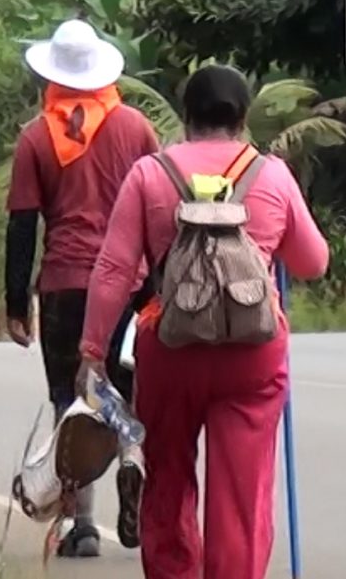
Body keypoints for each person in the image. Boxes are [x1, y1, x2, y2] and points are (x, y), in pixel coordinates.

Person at [78, 65, 329, 579]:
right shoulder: (272, 174)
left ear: (186, 115)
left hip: (171, 348)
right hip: (252, 356)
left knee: (167, 481)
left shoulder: (150, 174)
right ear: (242, 119)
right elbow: (313, 263)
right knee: (241, 497)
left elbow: (113, 270)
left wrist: (92, 353)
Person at [4, 19, 159, 557]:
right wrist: (155, 287)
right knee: (128, 394)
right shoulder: (136, 127)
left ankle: (81, 525)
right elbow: (159, 209)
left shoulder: (35, 136)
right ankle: (133, 461)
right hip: (131, 284)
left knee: (72, 402)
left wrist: (15, 303)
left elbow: (23, 225)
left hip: (66, 286)